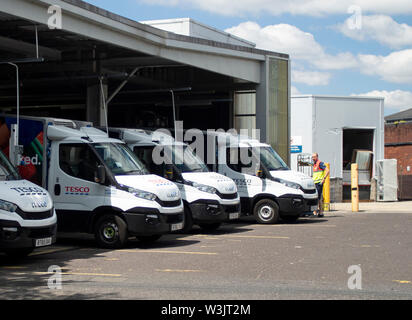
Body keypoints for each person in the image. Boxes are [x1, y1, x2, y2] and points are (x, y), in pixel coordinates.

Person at [312, 152, 329, 217]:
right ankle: (316, 212)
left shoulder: (320, 163)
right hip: (315, 183)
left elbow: (327, 170)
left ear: (317, 157)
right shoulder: (314, 164)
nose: (313, 158)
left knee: (318, 197)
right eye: (312, 157)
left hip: (319, 183)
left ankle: (320, 212)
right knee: (316, 197)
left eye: (314, 157)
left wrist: (324, 178)